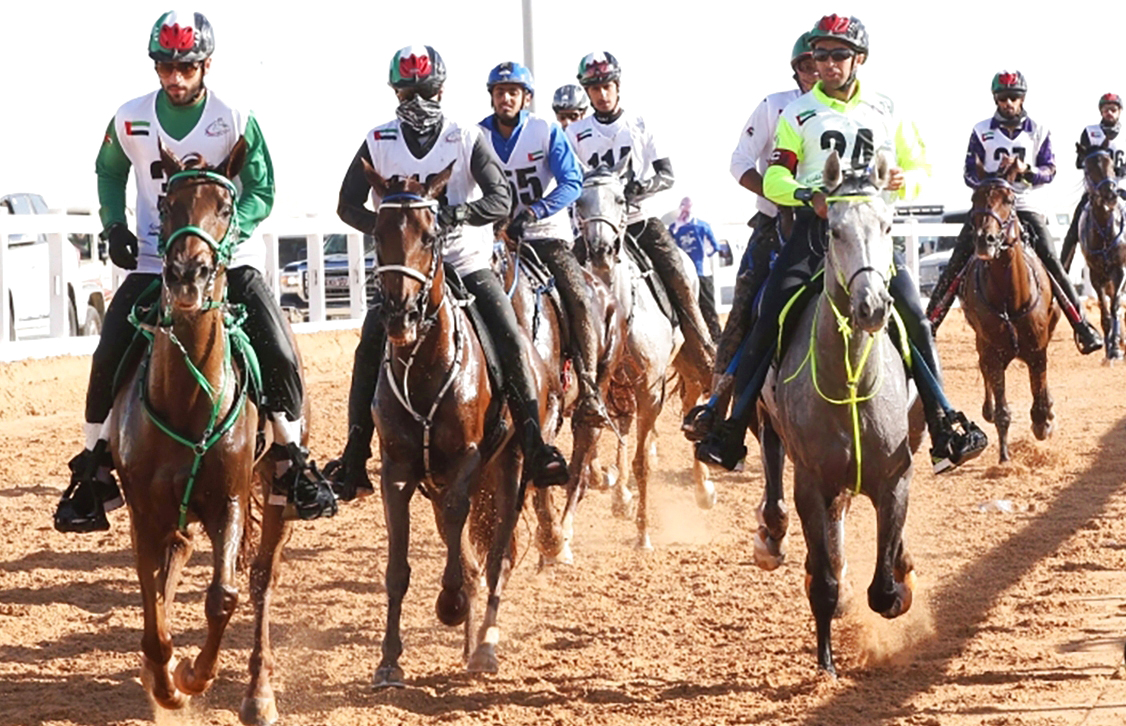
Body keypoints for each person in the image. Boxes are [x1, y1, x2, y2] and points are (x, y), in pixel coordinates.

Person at [53, 10, 338, 533]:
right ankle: (93, 469)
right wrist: (115, 224)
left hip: (230, 262)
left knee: (276, 345)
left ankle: (293, 460)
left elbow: (262, 189)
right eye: (165, 67)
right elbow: (109, 170)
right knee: (110, 348)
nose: (175, 78)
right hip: (154, 262)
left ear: (206, 65)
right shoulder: (129, 117)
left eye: (185, 67)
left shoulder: (234, 116)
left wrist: (228, 236)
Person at [694, 13, 987, 474]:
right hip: (815, 227)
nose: (828, 64)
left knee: (913, 315)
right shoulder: (796, 113)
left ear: (859, 59)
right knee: (768, 312)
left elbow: (922, 168)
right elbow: (774, 174)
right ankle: (728, 429)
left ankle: (941, 421)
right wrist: (807, 195)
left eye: (838, 55)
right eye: (820, 56)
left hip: (869, 231)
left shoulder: (889, 108)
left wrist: (903, 179)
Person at [328, 45, 570, 499]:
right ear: (396, 95)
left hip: (463, 261)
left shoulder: (463, 136)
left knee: (510, 337)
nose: (416, 102)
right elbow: (347, 204)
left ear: (440, 92)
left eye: (424, 92)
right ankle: (355, 457)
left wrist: (455, 217)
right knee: (367, 350)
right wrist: (387, 231)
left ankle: (536, 448)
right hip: (407, 273)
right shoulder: (378, 139)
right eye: (407, 93)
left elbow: (500, 200)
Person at [683, 31, 819, 439]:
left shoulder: (847, 111)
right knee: (743, 309)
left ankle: (927, 405)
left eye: (822, 63)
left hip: (835, 222)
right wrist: (777, 196)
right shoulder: (774, 106)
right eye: (808, 65)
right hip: (775, 223)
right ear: (796, 69)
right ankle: (718, 405)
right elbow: (739, 161)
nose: (816, 72)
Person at [927, 71, 1103, 354]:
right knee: (957, 259)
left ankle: (1082, 325)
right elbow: (969, 172)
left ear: (1022, 99)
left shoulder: (1040, 130)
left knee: (1051, 260)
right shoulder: (980, 130)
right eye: (1003, 98)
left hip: (1025, 205)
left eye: (1014, 98)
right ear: (995, 99)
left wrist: (1026, 171)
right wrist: (994, 181)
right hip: (991, 204)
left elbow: (1050, 170)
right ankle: (930, 324)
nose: (1008, 103)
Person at [566, 51, 716, 374]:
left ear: (618, 86)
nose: (602, 94)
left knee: (678, 274)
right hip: (593, 229)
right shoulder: (574, 134)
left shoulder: (640, 123)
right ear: (587, 92)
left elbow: (667, 173)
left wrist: (639, 189)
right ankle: (565, 365)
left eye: (607, 86)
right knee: (562, 285)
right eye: (594, 88)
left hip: (638, 221)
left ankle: (703, 349)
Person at [480, 62, 611, 428]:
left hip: (545, 237)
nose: (506, 98)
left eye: (513, 92)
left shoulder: (545, 131)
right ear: (491, 96)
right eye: (499, 91)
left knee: (580, 298)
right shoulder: (475, 136)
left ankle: (588, 390)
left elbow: (572, 182)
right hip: (494, 240)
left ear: (525, 97)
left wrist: (536, 211)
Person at [1059, 93, 1125, 271]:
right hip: (1095, 193)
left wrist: (1121, 170)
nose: (1109, 113)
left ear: (1119, 111)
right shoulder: (1090, 132)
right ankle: (1061, 273)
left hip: (1120, 190)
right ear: (1101, 112)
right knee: (1073, 233)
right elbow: (1079, 162)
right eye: (1105, 110)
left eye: (1113, 109)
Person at [668, 197, 722, 339]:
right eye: (683, 206)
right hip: (683, 274)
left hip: (701, 272)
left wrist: (702, 256)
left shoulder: (702, 226)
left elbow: (713, 247)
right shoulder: (674, 228)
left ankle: (715, 338)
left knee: (707, 306)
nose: (685, 209)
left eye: (688, 206)